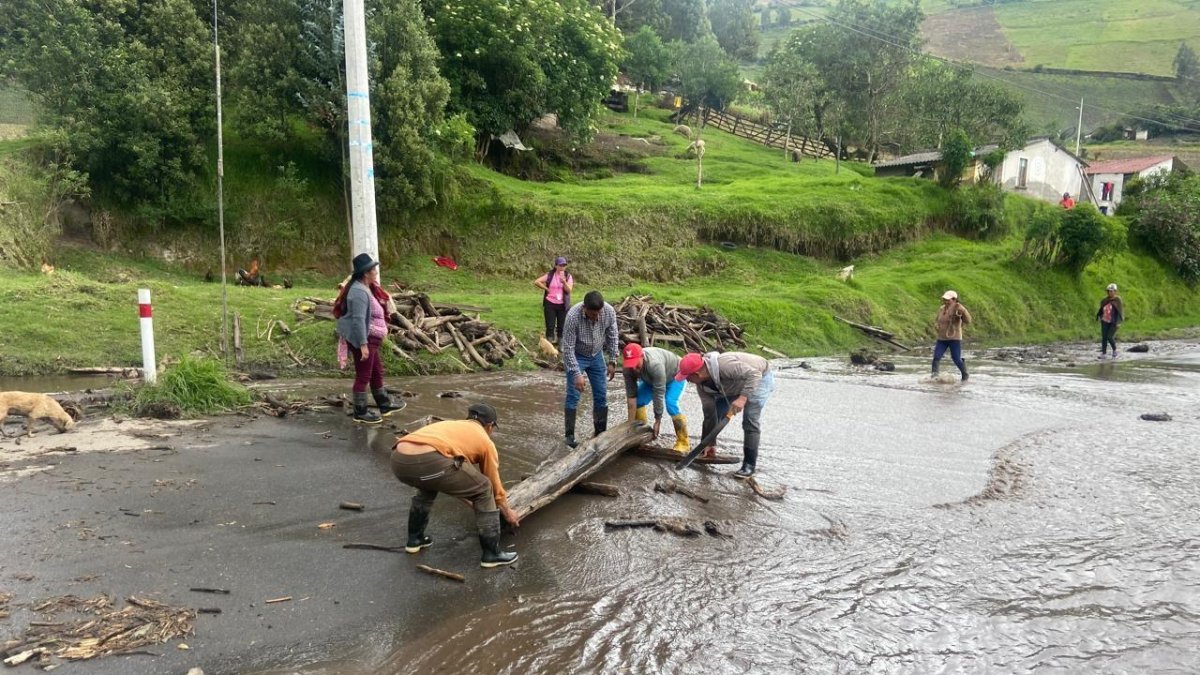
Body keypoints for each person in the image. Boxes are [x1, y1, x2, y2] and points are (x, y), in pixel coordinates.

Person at [390, 404, 520, 568]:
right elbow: (494, 484)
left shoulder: (452, 427)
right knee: (485, 488)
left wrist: (471, 500)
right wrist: (508, 513)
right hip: (430, 461)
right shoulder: (485, 441)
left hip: (398, 459)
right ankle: (491, 554)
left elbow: (455, 478)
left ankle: (415, 540)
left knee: (428, 485)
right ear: (489, 425)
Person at [676, 351, 776, 479]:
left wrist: (742, 398)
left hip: (759, 377)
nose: (687, 381)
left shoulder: (725, 365)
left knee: (750, 420)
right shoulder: (702, 386)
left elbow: (754, 375)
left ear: (698, 374)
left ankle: (749, 465)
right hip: (732, 385)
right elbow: (709, 414)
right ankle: (707, 448)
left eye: (687, 378)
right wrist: (710, 442)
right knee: (717, 412)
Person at [333, 253, 404, 424]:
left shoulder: (365, 288)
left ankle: (384, 404)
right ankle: (360, 411)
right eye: (374, 270)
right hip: (364, 339)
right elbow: (357, 320)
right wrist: (362, 345)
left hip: (372, 339)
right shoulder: (358, 292)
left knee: (376, 371)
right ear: (366, 273)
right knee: (363, 375)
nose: (376, 273)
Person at [561, 290, 620, 447]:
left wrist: (613, 360)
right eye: (592, 314)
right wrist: (576, 373)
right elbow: (567, 348)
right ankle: (569, 437)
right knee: (573, 395)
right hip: (577, 355)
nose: (596, 317)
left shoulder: (608, 312)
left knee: (601, 394)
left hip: (596, 355)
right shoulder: (573, 316)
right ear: (584, 308)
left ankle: (600, 432)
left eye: (598, 314)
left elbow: (613, 336)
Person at [622, 343, 690, 453]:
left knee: (670, 403)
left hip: (675, 375)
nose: (634, 368)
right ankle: (641, 432)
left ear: (642, 356)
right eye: (630, 364)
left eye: (636, 364)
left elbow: (658, 394)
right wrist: (630, 426)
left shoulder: (655, 365)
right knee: (638, 401)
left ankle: (683, 442)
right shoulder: (628, 369)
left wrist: (657, 421)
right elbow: (631, 397)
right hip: (651, 379)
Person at [932, 290, 972, 381]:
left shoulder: (959, 308)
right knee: (936, 357)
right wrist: (936, 325)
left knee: (956, 358)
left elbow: (968, 321)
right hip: (942, 338)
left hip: (954, 338)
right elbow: (937, 319)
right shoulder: (942, 308)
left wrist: (964, 311)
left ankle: (965, 374)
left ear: (954, 299)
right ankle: (934, 377)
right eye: (945, 299)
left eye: (948, 300)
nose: (946, 301)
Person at [533, 257, 574, 345]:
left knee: (562, 326)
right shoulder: (550, 275)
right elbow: (537, 282)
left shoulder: (568, 276)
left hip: (563, 305)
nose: (563, 267)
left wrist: (564, 282)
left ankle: (561, 344)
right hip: (550, 303)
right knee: (550, 325)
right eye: (561, 265)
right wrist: (546, 289)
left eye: (564, 265)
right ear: (556, 266)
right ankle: (549, 343)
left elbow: (569, 290)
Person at [1096, 283, 1125, 359]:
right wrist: (1100, 316)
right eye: (1109, 291)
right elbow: (1101, 309)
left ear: (1115, 291)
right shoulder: (1104, 300)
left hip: (1114, 321)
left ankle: (1115, 350)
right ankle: (1104, 353)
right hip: (1105, 320)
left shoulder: (1118, 300)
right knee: (1104, 337)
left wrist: (1118, 322)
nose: (1110, 292)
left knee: (1109, 336)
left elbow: (1120, 312)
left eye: (1112, 291)